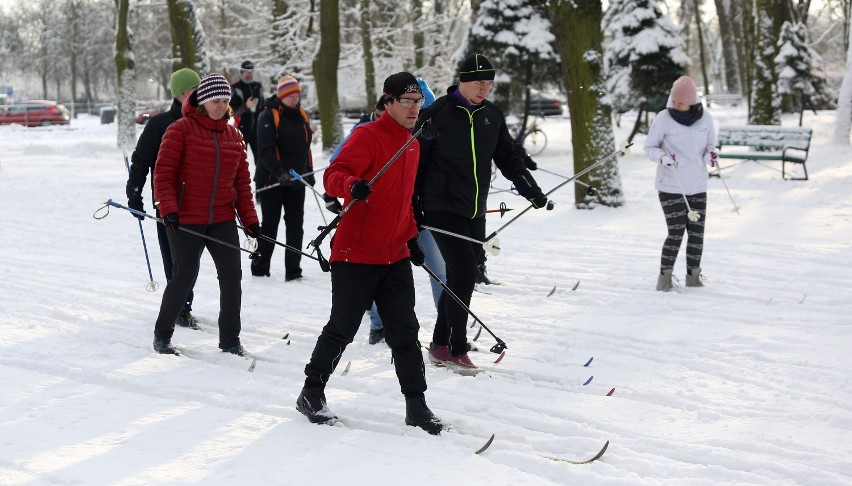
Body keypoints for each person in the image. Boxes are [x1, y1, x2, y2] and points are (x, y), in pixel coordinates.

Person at [296, 72, 444, 435]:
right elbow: (333, 175)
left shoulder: (412, 144)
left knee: (405, 331)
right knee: (342, 328)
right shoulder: (367, 136)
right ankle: (311, 393)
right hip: (355, 254)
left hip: (393, 255)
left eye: (418, 101)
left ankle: (417, 405)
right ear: (388, 103)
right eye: (406, 101)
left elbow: (403, 202)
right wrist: (352, 185)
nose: (414, 108)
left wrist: (410, 237)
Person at [414, 54, 553, 370]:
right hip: (439, 207)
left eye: (489, 84)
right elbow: (415, 165)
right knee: (463, 273)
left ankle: (439, 343)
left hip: (474, 208)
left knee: (463, 272)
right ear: (462, 80)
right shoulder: (436, 115)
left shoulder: (492, 115)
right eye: (479, 82)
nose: (484, 89)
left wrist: (530, 189)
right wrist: (414, 208)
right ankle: (457, 348)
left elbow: (507, 158)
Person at [151, 73, 261, 356]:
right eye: (215, 100)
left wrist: (250, 221)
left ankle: (230, 340)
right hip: (186, 217)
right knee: (185, 275)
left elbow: (242, 185)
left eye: (225, 100)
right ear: (201, 100)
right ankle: (163, 335)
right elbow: (163, 175)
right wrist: (169, 209)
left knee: (231, 276)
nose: (220, 105)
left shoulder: (235, 136)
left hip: (222, 218)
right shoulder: (180, 130)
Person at [126, 67, 202, 329]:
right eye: (195, 89)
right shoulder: (159, 124)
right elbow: (141, 161)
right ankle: (181, 307)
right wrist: (134, 194)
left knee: (191, 260)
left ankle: (183, 303)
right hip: (168, 203)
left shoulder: (202, 121)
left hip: (199, 203)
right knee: (175, 258)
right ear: (181, 93)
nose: (199, 94)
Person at [644, 75, 716, 291]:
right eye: (674, 101)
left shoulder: (706, 120)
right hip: (671, 185)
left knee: (696, 233)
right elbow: (650, 147)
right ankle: (664, 279)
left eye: (681, 102)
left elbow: (711, 145)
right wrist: (662, 158)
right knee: (676, 232)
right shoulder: (663, 118)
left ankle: (693, 277)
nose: (676, 105)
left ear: (692, 101)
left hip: (698, 185)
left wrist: (711, 155)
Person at [252, 76, 314, 281]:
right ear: (282, 96)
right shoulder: (268, 116)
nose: (295, 99)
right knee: (270, 225)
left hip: (296, 180)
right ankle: (260, 268)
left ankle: (293, 270)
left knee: (296, 225)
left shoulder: (302, 115)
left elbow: (306, 148)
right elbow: (265, 150)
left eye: (297, 94)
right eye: (291, 95)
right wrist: (279, 172)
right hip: (272, 180)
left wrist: (309, 171)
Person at [230, 60, 263, 162]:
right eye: (247, 71)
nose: (250, 74)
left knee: (261, 160)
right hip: (241, 129)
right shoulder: (235, 87)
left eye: (251, 71)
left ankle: (262, 178)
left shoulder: (258, 86)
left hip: (257, 129)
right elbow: (230, 111)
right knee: (241, 161)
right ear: (241, 72)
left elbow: (263, 106)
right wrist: (246, 106)